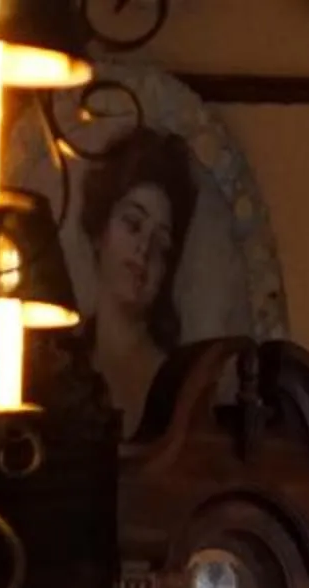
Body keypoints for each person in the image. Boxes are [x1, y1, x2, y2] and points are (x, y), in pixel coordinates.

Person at [71, 127, 199, 429]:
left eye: (162, 243)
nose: (144, 249)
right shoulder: (62, 363)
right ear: (100, 231)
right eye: (133, 224)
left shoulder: (179, 385)